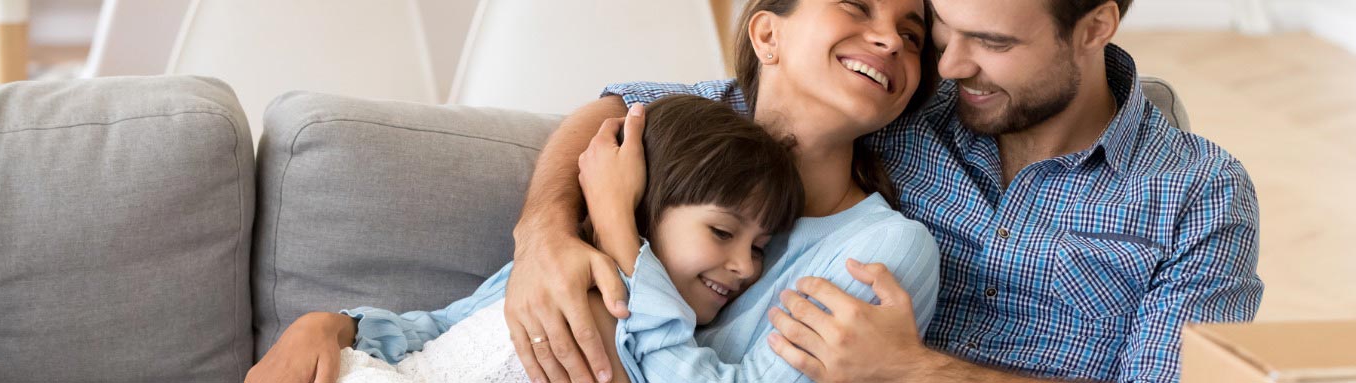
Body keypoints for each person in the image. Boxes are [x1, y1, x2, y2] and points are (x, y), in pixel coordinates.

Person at [504, 0, 1263, 382]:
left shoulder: (1198, 196)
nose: (953, 66)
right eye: (939, 34)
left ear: (1095, 25)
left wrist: (915, 370)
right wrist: (542, 230)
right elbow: (632, 107)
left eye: (992, 43)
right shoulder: (896, 109)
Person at [245, 0, 942, 381]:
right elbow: (478, 321)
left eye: (912, 37)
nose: (888, 40)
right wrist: (334, 325)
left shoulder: (881, 248)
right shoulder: (662, 155)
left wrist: (618, 228)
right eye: (857, 6)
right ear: (767, 32)